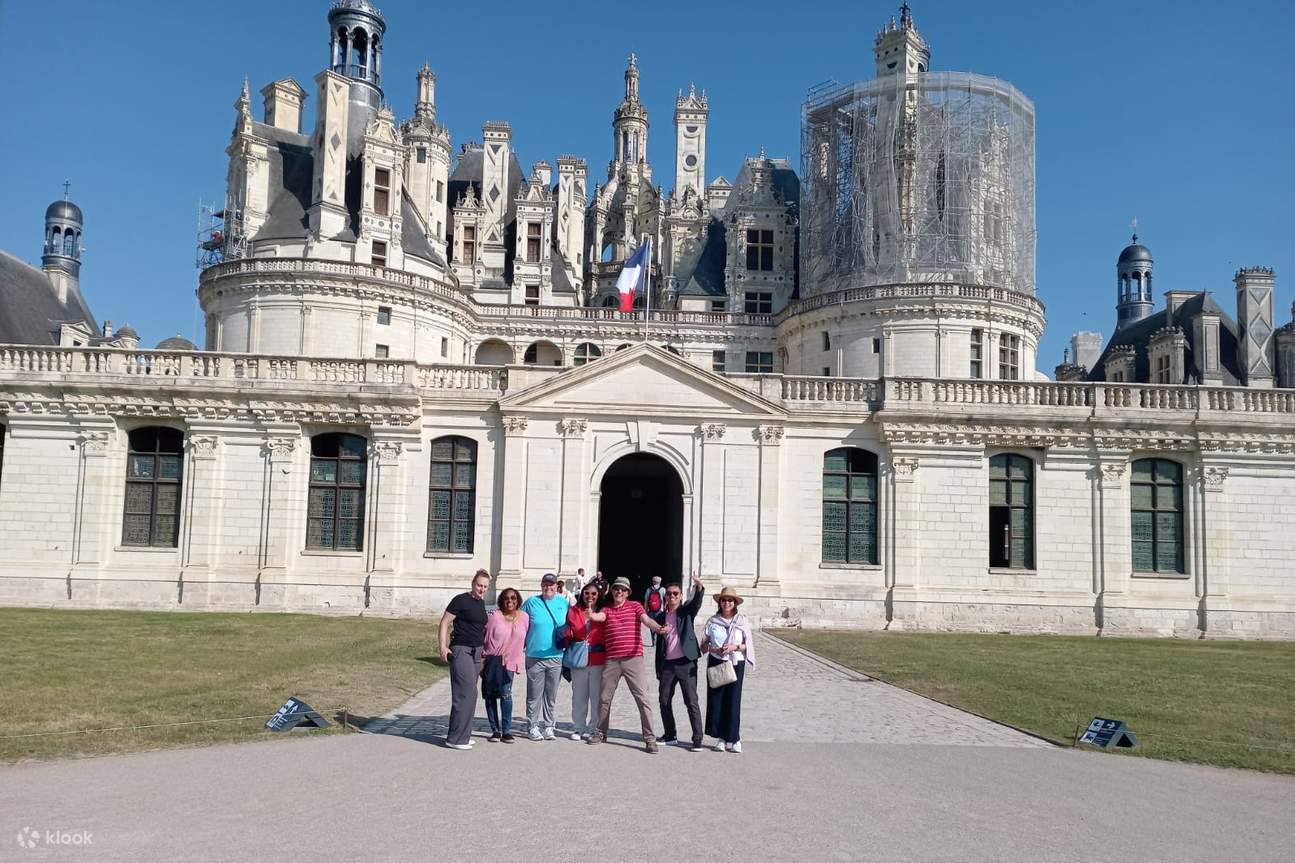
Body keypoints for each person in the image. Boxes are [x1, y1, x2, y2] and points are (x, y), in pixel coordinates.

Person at [585, 576, 670, 753]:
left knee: (642, 699)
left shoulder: (635, 606)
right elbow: (599, 617)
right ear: (613, 590)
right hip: (612, 661)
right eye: (616, 589)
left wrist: (657, 628)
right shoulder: (607, 609)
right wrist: (591, 615)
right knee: (604, 698)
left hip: (634, 659)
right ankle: (601, 732)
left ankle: (649, 738)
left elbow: (647, 620)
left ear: (627, 593)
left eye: (623, 590)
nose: (619, 592)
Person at [650, 572, 706, 751]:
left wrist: (698, 587)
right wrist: (658, 668)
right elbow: (658, 645)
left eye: (675, 594)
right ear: (664, 596)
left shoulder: (686, 611)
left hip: (686, 663)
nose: (672, 596)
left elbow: (696, 603)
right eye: (669, 594)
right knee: (664, 700)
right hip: (667, 665)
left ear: (681, 596)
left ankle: (697, 738)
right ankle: (670, 734)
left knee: (691, 701)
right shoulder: (660, 617)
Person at [437, 569, 491, 750]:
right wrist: (443, 646)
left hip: (476, 653)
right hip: (461, 650)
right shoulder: (461, 600)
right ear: (472, 584)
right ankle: (455, 739)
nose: (481, 589)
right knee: (464, 693)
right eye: (479, 585)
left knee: (471, 693)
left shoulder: (481, 603)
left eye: (485, 586)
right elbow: (444, 622)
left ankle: (463, 735)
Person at [700, 586, 755, 753]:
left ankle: (735, 738)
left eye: (730, 600)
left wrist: (735, 647)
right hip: (717, 662)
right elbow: (703, 645)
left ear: (735, 603)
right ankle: (721, 738)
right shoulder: (712, 621)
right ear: (719, 602)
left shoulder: (742, 621)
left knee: (733, 701)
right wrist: (711, 648)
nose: (727, 603)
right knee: (717, 701)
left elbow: (748, 645)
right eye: (724, 600)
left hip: (736, 663)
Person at [520, 573, 570, 741]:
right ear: (541, 586)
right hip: (535, 656)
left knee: (551, 694)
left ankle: (549, 726)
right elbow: (520, 625)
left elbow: (572, 624)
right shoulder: (531, 603)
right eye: (545, 584)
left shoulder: (563, 603)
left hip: (556, 655)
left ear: (557, 587)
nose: (548, 587)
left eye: (552, 585)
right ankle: (532, 726)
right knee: (534, 694)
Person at [481, 587, 528, 743]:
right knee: (490, 695)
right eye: (507, 598)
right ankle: (495, 730)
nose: (510, 601)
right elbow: (481, 633)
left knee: (506, 694)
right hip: (491, 660)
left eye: (513, 598)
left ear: (518, 600)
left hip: (509, 662)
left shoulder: (524, 617)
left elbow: (527, 638)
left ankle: (507, 730)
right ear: (501, 600)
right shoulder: (493, 616)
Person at [565, 582, 606, 740]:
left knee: (596, 696)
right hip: (579, 658)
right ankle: (579, 727)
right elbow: (569, 629)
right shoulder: (574, 611)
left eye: (594, 594)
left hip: (598, 659)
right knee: (579, 695)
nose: (590, 596)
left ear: (598, 596)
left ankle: (594, 727)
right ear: (582, 594)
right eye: (587, 593)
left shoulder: (604, 611)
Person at [643, 576, 666, 645]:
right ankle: (659, 639)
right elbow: (667, 599)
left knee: (651, 625)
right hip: (660, 610)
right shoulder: (663, 589)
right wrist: (665, 607)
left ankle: (653, 640)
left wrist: (645, 609)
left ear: (653, 581)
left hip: (651, 610)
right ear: (660, 582)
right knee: (659, 625)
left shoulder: (648, 590)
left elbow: (646, 601)